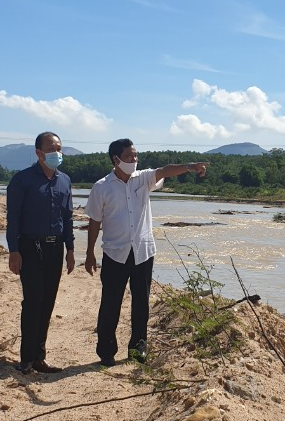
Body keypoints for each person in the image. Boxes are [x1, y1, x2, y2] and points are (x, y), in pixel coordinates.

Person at [84, 138, 208, 366]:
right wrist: (90, 253)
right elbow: (94, 221)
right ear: (116, 159)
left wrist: (190, 167)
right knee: (111, 303)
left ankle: (138, 348)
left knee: (141, 302)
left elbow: (164, 171)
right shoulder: (102, 187)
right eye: (130, 156)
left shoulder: (143, 178)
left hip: (142, 252)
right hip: (114, 253)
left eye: (136, 155)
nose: (134, 159)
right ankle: (106, 352)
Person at [6, 131, 76, 374]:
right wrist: (13, 251)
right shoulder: (22, 180)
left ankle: (39, 357)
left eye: (59, 148)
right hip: (30, 248)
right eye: (52, 148)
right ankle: (26, 360)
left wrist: (70, 249)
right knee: (33, 302)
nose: (57, 153)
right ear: (38, 153)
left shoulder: (64, 180)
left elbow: (68, 217)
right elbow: (12, 219)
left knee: (47, 303)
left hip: (55, 248)